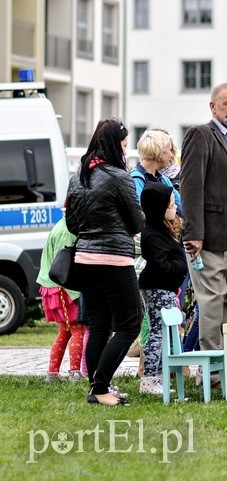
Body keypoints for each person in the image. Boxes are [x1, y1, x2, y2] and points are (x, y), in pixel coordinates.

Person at [181, 82, 227, 387]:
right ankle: (209, 373)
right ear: (213, 106)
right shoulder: (201, 135)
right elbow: (191, 186)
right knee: (211, 302)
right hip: (210, 236)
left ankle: (226, 367)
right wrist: (194, 233)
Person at [66, 118, 145, 406]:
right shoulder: (119, 176)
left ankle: (97, 389)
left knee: (99, 324)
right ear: (115, 145)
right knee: (129, 324)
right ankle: (100, 387)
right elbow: (137, 219)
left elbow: (72, 224)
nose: (125, 152)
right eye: (124, 145)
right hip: (113, 260)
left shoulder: (78, 177)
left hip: (84, 259)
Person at [138, 183, 188, 396]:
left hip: (166, 288)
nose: (175, 207)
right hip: (158, 288)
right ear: (158, 207)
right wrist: (179, 262)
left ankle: (157, 375)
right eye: (170, 204)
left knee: (164, 332)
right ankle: (149, 379)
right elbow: (162, 265)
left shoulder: (164, 231)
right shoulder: (152, 235)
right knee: (158, 333)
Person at [38, 218, 85, 384]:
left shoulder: (60, 225)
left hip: (52, 287)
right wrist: (75, 295)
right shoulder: (69, 231)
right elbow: (65, 267)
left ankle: (52, 372)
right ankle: (75, 372)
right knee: (78, 330)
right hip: (63, 288)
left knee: (64, 332)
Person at [132, 129, 182, 215]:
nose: (171, 154)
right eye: (170, 150)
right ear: (159, 153)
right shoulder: (136, 179)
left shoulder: (163, 179)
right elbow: (139, 214)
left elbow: (182, 207)